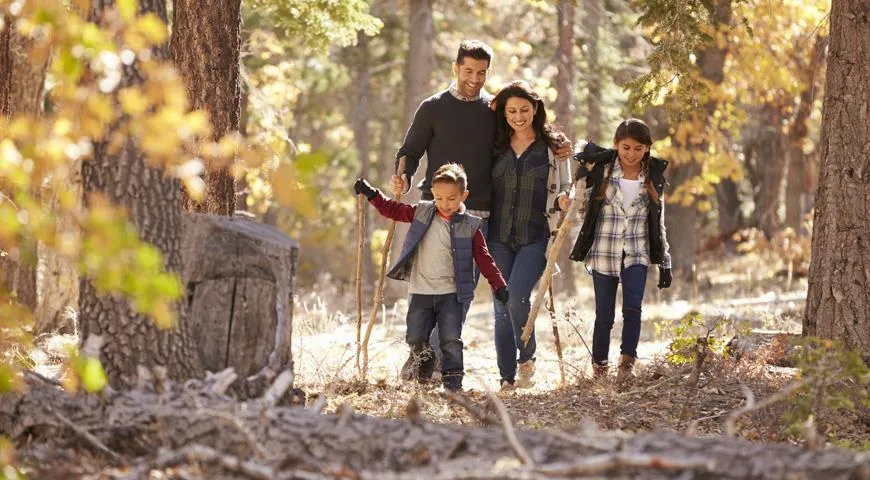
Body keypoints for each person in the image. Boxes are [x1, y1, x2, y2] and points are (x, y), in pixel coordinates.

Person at [390, 40, 571, 377]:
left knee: (462, 293)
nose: (475, 78)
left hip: (480, 218)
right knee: (430, 288)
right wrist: (401, 174)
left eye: (482, 72)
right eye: (469, 70)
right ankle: (421, 355)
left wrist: (558, 143)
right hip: (437, 211)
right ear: (456, 68)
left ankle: (431, 361)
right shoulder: (432, 107)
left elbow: (526, 132)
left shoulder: (493, 110)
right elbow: (410, 150)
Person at [354, 163, 509, 391]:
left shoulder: (470, 225)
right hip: (421, 291)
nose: (445, 204)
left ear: (463, 195)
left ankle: (453, 384)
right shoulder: (423, 212)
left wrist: (498, 284)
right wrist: (371, 193)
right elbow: (393, 210)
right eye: (439, 198)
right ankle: (425, 362)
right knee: (415, 337)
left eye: (451, 199)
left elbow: (484, 257)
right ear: (433, 194)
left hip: (451, 294)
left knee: (450, 340)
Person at [569, 119, 673, 385]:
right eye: (626, 147)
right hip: (604, 252)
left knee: (633, 309)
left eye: (638, 148)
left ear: (647, 148)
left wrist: (665, 263)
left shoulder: (653, 178)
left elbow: (659, 222)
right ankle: (599, 368)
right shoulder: (602, 171)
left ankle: (627, 365)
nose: (631, 154)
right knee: (604, 315)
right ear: (616, 145)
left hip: (637, 253)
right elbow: (581, 208)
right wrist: (579, 187)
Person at [487, 81, 573, 390]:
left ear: (535, 109)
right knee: (500, 306)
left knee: (516, 297)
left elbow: (566, 185)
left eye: (524, 109)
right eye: (511, 110)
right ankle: (507, 377)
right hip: (496, 236)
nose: (518, 116)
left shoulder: (553, 148)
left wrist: (565, 199)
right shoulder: (494, 145)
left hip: (535, 236)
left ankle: (527, 358)